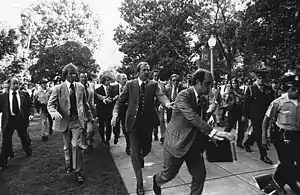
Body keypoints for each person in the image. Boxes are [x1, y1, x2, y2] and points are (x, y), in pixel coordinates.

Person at [152, 69, 234, 195]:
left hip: (194, 146)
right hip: (177, 144)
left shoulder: (203, 99)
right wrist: (213, 132)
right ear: (197, 82)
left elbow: (201, 121)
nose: (210, 88)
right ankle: (156, 181)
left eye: (211, 85)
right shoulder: (183, 96)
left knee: (200, 175)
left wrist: (210, 135)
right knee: (168, 175)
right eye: (207, 84)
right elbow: (192, 117)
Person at [111, 62, 173, 195]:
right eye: (144, 70)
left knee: (147, 149)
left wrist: (167, 103)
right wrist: (115, 113)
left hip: (147, 124)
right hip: (133, 124)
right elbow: (120, 101)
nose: (147, 72)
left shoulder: (153, 85)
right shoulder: (130, 84)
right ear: (138, 72)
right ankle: (139, 184)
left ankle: (141, 156)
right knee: (134, 155)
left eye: (148, 70)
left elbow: (160, 95)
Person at [47, 63, 93, 183]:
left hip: (76, 121)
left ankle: (77, 171)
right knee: (67, 147)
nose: (74, 75)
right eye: (71, 73)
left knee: (76, 145)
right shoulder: (58, 88)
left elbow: (85, 105)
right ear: (65, 75)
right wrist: (54, 113)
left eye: (75, 73)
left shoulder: (80, 87)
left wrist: (90, 120)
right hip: (64, 121)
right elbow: (50, 105)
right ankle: (69, 165)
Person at [258, 75, 300, 195]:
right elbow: (266, 120)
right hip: (282, 137)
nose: (296, 91)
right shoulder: (278, 102)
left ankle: (288, 181)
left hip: (297, 137)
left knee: (295, 163)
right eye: (293, 89)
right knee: (286, 162)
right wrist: (263, 138)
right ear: (287, 89)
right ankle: (274, 186)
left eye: (298, 89)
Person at [0, 77, 34, 170]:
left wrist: (31, 114)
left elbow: (30, 104)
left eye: (17, 83)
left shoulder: (24, 94)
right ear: (9, 85)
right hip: (9, 120)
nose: (16, 85)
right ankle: (3, 162)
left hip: (20, 119)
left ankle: (28, 151)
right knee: (6, 141)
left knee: (24, 137)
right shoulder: (3, 96)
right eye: (14, 83)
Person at [242, 70, 274, 165]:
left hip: (266, 115)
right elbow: (246, 104)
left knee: (258, 132)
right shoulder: (251, 89)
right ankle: (263, 155)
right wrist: (244, 115)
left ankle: (248, 142)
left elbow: (272, 102)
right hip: (255, 115)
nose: (261, 80)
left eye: (263, 78)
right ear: (256, 78)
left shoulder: (268, 88)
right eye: (260, 78)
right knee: (260, 133)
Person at [112, 73, 131, 155]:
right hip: (117, 110)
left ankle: (128, 145)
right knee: (116, 125)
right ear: (118, 80)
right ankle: (116, 135)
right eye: (123, 79)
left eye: (126, 78)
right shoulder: (113, 88)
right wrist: (114, 98)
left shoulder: (129, 87)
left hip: (126, 110)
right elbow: (110, 98)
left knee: (125, 127)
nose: (125, 80)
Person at [94, 75, 114, 149]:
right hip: (101, 110)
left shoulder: (112, 89)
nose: (109, 82)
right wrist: (104, 101)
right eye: (107, 80)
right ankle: (102, 139)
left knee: (109, 126)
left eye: (109, 80)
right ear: (103, 81)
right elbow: (96, 100)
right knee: (101, 126)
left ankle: (107, 140)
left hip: (109, 110)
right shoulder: (98, 90)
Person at [79, 73, 96, 151]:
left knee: (90, 129)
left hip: (90, 110)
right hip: (81, 111)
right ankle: (84, 144)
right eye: (82, 77)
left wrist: (103, 99)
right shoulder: (77, 87)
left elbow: (95, 95)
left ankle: (89, 141)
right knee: (83, 130)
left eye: (85, 77)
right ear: (79, 78)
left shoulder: (91, 85)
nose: (83, 79)